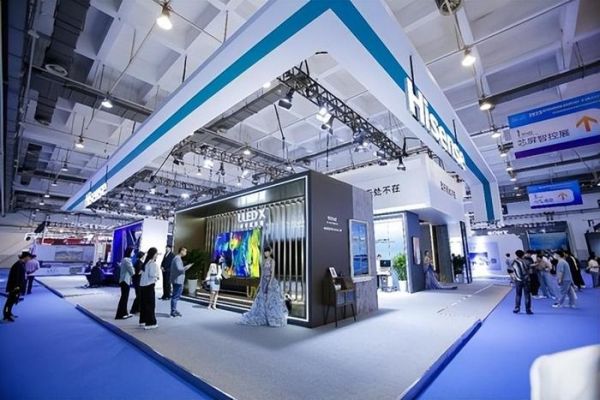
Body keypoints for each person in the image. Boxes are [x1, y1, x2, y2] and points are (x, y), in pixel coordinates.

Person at [240, 247, 288, 327]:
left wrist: (270, 283)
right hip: (264, 282)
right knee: (262, 299)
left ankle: (271, 317)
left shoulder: (272, 261)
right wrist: (260, 283)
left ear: (270, 252)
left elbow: (272, 273)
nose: (266, 253)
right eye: (265, 252)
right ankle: (264, 316)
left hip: (271, 282)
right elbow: (262, 274)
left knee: (271, 300)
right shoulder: (264, 261)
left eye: (267, 252)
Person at [3, 252, 31, 322]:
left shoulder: (21, 264)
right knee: (9, 302)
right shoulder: (18, 265)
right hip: (15, 288)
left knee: (12, 302)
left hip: (17, 287)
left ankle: (9, 313)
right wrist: (16, 288)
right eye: (29, 257)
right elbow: (16, 278)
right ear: (26, 257)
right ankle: (6, 315)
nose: (29, 259)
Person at [139, 247, 160, 329]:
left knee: (144, 304)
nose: (157, 255)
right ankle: (151, 323)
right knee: (150, 305)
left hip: (143, 286)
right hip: (149, 285)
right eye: (156, 253)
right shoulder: (152, 263)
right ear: (154, 254)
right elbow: (151, 274)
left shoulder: (146, 263)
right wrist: (157, 276)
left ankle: (143, 321)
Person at [507, 250, 533, 314]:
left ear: (516, 255)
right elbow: (530, 272)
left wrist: (513, 277)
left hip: (518, 280)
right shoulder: (527, 261)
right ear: (523, 254)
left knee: (518, 294)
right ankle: (528, 310)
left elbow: (509, 270)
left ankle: (517, 308)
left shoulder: (513, 262)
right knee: (527, 295)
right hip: (526, 280)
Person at [169, 247, 189, 318]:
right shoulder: (177, 258)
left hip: (178, 280)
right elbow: (179, 269)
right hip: (177, 280)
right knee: (175, 296)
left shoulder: (177, 258)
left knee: (176, 296)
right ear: (181, 251)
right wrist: (186, 267)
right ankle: (173, 311)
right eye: (185, 251)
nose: (186, 253)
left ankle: (174, 310)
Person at [115, 247, 135, 320]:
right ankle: (121, 314)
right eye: (132, 252)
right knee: (124, 298)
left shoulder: (124, 259)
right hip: (125, 281)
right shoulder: (127, 260)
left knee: (124, 298)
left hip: (124, 280)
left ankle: (124, 313)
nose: (133, 253)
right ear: (129, 252)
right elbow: (132, 271)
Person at [129, 251, 145, 315]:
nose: (144, 257)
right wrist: (143, 270)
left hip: (137, 280)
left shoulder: (139, 262)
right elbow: (138, 272)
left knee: (139, 295)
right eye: (143, 256)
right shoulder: (139, 263)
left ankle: (138, 309)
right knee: (139, 295)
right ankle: (133, 309)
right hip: (137, 280)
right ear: (141, 256)